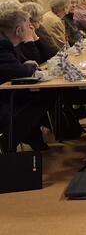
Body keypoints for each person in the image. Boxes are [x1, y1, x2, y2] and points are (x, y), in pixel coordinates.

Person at [0, 10, 51, 152]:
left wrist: (27, 65)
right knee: (40, 99)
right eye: (28, 26)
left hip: (9, 92)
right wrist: (29, 66)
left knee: (40, 96)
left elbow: (22, 64)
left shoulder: (9, 41)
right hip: (4, 99)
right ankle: (8, 145)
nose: (30, 28)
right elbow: (21, 70)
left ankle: (35, 142)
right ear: (18, 30)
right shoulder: (2, 44)